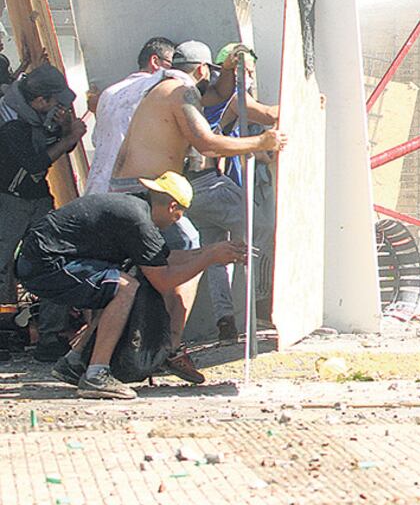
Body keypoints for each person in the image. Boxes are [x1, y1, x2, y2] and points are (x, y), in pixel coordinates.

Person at [111, 41, 286, 379]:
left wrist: (234, 69)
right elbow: (207, 142)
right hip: (143, 191)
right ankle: (171, 347)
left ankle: (164, 343)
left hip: (141, 188)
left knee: (180, 254)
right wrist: (261, 143)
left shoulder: (168, 86)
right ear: (203, 70)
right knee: (192, 248)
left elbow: (221, 95)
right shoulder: (182, 92)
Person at [17, 172, 247, 399]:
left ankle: (75, 362)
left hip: (45, 257)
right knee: (124, 287)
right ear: (172, 206)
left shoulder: (138, 209)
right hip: (45, 263)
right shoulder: (138, 220)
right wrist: (209, 258)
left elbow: (163, 258)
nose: (175, 222)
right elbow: (163, 281)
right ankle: (96, 375)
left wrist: (212, 250)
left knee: (113, 286)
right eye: (179, 215)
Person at [184, 43, 278, 343]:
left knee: (213, 252)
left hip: (188, 189)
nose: (249, 79)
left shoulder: (200, 96)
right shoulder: (234, 97)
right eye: (247, 72)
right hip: (207, 183)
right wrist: (307, 100)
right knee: (258, 227)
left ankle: (225, 319)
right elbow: (268, 115)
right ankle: (251, 307)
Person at [0, 64, 87, 360]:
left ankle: (51, 336)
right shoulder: (10, 120)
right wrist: (68, 137)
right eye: (55, 102)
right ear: (39, 100)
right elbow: (35, 162)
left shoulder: (34, 113)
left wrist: (65, 131)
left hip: (37, 196)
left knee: (52, 260)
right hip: (9, 200)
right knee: (2, 265)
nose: (59, 108)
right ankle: (6, 331)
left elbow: (51, 145)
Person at [84, 37, 176, 196]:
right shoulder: (154, 89)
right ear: (155, 61)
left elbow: (96, 140)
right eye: (172, 65)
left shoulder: (109, 92)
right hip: (127, 191)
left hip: (97, 187)